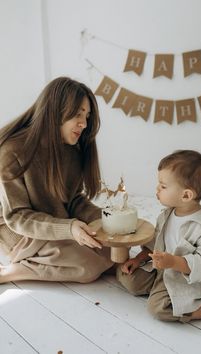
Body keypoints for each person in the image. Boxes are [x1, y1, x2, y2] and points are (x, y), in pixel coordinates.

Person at [0, 76, 114, 284]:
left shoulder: (71, 148)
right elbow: (17, 217)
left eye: (87, 116)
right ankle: (12, 272)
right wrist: (69, 228)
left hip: (54, 221)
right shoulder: (12, 152)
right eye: (78, 115)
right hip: (18, 231)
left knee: (109, 251)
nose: (84, 123)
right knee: (87, 266)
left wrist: (105, 219)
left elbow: (72, 199)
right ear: (55, 111)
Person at [117, 150, 201, 322]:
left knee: (158, 309)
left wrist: (173, 262)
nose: (157, 189)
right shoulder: (166, 215)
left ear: (186, 195)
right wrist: (139, 259)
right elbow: (155, 244)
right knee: (126, 278)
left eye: (163, 186)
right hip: (163, 270)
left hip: (189, 280)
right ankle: (165, 291)